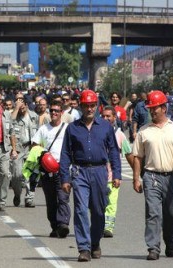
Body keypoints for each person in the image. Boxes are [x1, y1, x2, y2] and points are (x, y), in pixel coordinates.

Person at [60, 90, 121, 262]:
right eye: (86, 105)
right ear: (81, 106)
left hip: (100, 171)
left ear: (97, 106)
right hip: (80, 172)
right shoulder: (72, 128)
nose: (89, 108)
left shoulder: (105, 127)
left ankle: (95, 243)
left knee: (98, 211)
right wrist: (65, 178)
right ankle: (84, 248)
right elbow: (65, 154)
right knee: (80, 209)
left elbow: (114, 152)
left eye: (92, 105)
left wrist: (116, 174)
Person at [132, 90, 173, 261]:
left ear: (164, 108)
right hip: (151, 177)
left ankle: (170, 242)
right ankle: (153, 247)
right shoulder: (144, 131)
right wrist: (136, 178)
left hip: (172, 177)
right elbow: (138, 157)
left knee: (172, 213)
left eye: (155, 108)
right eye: (150, 108)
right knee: (153, 213)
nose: (152, 111)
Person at [32, 100, 71, 238]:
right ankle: (55, 226)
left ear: (61, 112)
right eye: (52, 110)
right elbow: (34, 145)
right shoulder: (43, 129)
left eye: (57, 111)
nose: (54, 113)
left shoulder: (68, 128)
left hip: (63, 169)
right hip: (47, 170)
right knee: (51, 200)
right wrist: (43, 154)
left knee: (63, 198)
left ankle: (63, 224)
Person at [101, 106, 134, 238]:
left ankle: (108, 227)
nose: (105, 118)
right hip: (97, 176)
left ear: (115, 117)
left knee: (111, 202)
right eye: (103, 116)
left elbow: (128, 154)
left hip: (113, 176)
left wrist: (137, 174)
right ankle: (98, 224)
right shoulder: (95, 132)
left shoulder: (119, 135)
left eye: (108, 116)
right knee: (96, 203)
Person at [10, 93, 39, 207]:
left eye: (23, 107)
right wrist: (16, 109)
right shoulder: (13, 115)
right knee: (16, 175)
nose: (21, 109)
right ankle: (17, 194)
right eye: (19, 107)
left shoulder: (34, 116)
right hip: (18, 148)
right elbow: (9, 124)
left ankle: (29, 198)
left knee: (30, 175)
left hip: (31, 148)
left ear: (26, 105)